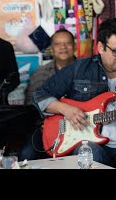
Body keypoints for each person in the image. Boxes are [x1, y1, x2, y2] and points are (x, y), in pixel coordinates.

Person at [33, 18, 116, 169]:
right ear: (100, 47)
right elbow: (39, 95)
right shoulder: (79, 69)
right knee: (92, 156)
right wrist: (66, 110)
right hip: (88, 144)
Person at [18, 29, 76, 161]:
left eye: (67, 43)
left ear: (74, 46)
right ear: (51, 49)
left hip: (78, 123)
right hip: (45, 126)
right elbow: (30, 105)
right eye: (57, 44)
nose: (63, 47)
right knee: (26, 155)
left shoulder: (86, 70)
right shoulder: (40, 74)